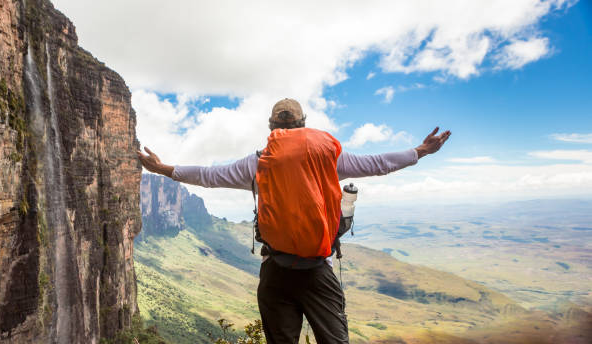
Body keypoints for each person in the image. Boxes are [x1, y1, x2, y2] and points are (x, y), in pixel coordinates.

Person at [137, 98, 450, 344]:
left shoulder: (258, 162)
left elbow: (208, 176)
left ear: (272, 127)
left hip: (276, 272)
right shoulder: (328, 156)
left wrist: (163, 169)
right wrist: (420, 151)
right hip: (317, 272)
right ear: (303, 124)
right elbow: (378, 164)